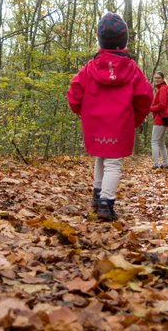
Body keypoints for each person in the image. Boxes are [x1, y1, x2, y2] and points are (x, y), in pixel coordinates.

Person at [67, 13, 153, 221]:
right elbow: (145, 96)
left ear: (100, 39)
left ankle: (98, 196)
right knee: (112, 162)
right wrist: (135, 119)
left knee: (101, 155)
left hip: (95, 123)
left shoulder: (90, 68)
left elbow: (74, 93)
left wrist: (82, 113)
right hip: (120, 124)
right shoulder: (132, 69)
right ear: (124, 40)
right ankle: (106, 202)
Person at [150, 71, 168, 170]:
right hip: (164, 118)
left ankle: (155, 165)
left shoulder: (162, 89)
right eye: (155, 78)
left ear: (163, 79)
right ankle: (165, 164)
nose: (157, 79)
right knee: (161, 143)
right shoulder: (162, 89)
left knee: (154, 141)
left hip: (160, 118)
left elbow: (162, 105)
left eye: (159, 78)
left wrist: (150, 109)